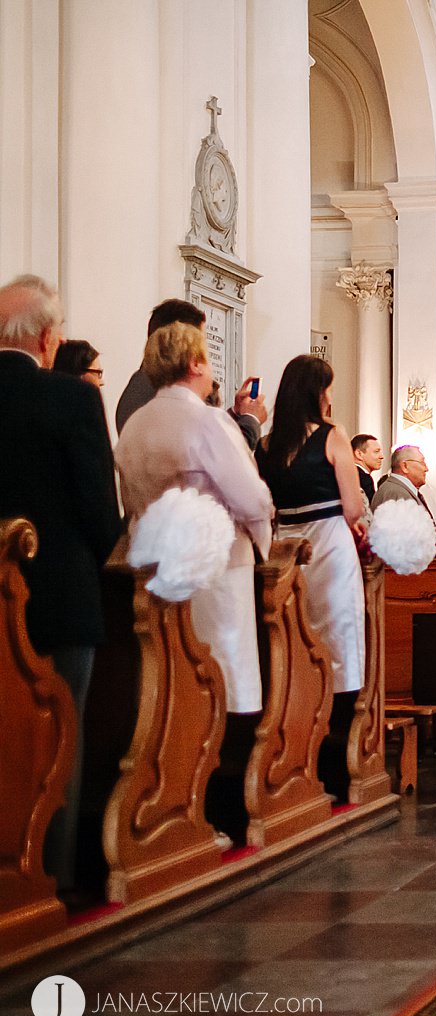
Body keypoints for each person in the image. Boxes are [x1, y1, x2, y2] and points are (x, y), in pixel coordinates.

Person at [117, 322, 274, 843]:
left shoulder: (137, 423)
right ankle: (222, 811)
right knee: (227, 682)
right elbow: (250, 497)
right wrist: (261, 533)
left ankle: (172, 805)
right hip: (216, 570)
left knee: (173, 687)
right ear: (195, 365)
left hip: (156, 568)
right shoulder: (206, 422)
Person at [0, 275, 120, 892]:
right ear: (49, 339)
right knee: (58, 742)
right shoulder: (72, 400)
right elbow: (99, 510)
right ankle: (54, 882)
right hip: (62, 600)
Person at [257, 354, 369, 801]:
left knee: (293, 644)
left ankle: (294, 749)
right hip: (328, 544)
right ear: (316, 393)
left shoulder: (266, 444)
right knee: (340, 643)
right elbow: (354, 507)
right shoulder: (331, 436)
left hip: (285, 547)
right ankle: (337, 764)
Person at [116, 299, 268, 447]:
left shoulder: (140, 385)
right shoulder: (168, 394)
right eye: (201, 342)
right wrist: (251, 419)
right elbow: (217, 452)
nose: (203, 353)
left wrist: (235, 413)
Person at [372, 445, 436, 557]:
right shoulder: (395, 493)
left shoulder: (400, 490)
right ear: (405, 466)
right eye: (422, 463)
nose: (426, 469)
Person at [351, 433, 383, 504]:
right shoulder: (363, 478)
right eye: (376, 451)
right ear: (359, 454)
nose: (381, 456)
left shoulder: (349, 474)